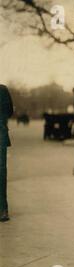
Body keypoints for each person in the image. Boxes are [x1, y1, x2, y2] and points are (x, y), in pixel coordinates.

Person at [0, 84, 14, 222]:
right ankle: (2, 209)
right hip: (0, 133)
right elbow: (9, 111)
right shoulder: (2, 89)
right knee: (1, 172)